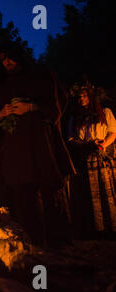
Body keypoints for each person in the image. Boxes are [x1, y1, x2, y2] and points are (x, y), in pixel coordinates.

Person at [0, 47, 75, 247]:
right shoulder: (3, 87)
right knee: (23, 195)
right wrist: (1, 114)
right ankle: (33, 242)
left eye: (10, 59)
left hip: (40, 145)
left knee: (49, 190)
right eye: (4, 62)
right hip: (16, 152)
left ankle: (58, 242)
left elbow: (58, 102)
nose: (7, 64)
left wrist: (32, 107)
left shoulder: (40, 75)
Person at [68, 85, 116, 236]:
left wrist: (102, 145)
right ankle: (96, 229)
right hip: (86, 160)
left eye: (84, 96)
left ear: (91, 96)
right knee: (91, 195)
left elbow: (113, 132)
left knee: (107, 193)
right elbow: (71, 139)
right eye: (79, 97)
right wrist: (87, 145)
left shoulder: (104, 113)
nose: (81, 99)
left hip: (103, 158)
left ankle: (112, 227)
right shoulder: (75, 118)